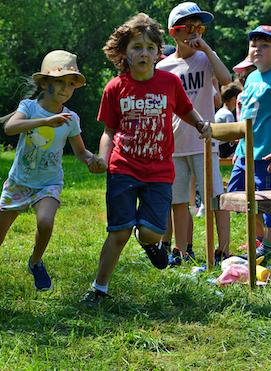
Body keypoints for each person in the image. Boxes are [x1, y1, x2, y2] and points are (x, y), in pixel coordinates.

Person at [81, 13, 210, 306]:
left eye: (150, 47)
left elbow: (185, 110)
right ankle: (98, 288)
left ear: (158, 52)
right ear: (125, 52)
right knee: (119, 232)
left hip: (158, 171)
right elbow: (109, 130)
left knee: (152, 232)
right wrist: (103, 159)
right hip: (123, 167)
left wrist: (201, 124)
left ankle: (148, 240)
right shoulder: (115, 87)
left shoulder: (169, 82)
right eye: (137, 47)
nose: (144, 53)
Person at [0, 50, 106, 294]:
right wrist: (44, 122)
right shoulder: (29, 107)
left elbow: (80, 152)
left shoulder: (72, 118)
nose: (65, 88)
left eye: (70, 84)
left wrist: (93, 160)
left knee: (45, 221)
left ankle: (35, 261)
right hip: (19, 182)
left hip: (49, 182)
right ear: (44, 83)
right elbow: (11, 127)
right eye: (59, 82)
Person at [156, 2, 232, 266]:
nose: (193, 34)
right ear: (172, 33)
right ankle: (182, 250)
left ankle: (224, 250)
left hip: (203, 142)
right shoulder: (163, 68)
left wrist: (208, 50)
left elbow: (226, 80)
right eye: (186, 28)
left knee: (215, 198)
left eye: (199, 28)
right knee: (178, 200)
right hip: (175, 145)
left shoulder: (204, 58)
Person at [227, 25, 271, 261]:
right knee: (236, 196)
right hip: (246, 153)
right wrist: (239, 149)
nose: (257, 49)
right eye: (254, 45)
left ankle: (267, 249)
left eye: (265, 45)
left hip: (269, 154)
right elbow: (246, 116)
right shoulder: (252, 77)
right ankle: (265, 238)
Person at [215, 82, 242, 159]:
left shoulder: (220, 111)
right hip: (222, 149)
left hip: (217, 147)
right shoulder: (228, 115)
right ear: (234, 99)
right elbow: (232, 137)